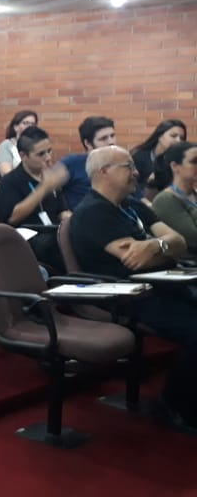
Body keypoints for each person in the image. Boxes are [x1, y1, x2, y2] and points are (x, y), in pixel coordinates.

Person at [70, 146, 197, 432]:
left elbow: (178, 242)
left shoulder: (133, 205)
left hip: (163, 284)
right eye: (128, 166)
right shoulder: (92, 213)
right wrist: (161, 246)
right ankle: (173, 404)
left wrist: (155, 245)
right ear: (104, 172)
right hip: (124, 295)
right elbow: (136, 260)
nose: (137, 171)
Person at [0, 126, 69, 273]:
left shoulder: (48, 176)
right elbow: (12, 218)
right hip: (28, 238)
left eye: (49, 151)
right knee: (56, 246)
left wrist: (71, 220)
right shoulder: (11, 182)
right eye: (41, 154)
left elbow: (62, 211)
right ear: (23, 155)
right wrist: (43, 189)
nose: (48, 157)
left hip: (53, 231)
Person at [151, 142, 197, 257]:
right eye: (194, 162)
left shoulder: (194, 194)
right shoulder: (165, 200)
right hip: (189, 265)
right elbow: (193, 238)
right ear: (175, 166)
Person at [60, 116, 116, 210]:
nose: (111, 142)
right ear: (88, 143)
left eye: (112, 136)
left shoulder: (121, 162)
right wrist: (63, 212)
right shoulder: (72, 163)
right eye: (103, 138)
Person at [131, 119, 187, 201]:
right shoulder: (138, 156)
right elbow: (132, 187)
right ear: (160, 136)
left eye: (181, 138)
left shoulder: (181, 160)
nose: (178, 141)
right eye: (173, 136)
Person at [0, 110, 38, 177]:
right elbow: (5, 173)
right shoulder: (6, 145)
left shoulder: (38, 145)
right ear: (16, 127)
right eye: (26, 123)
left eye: (33, 124)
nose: (30, 126)